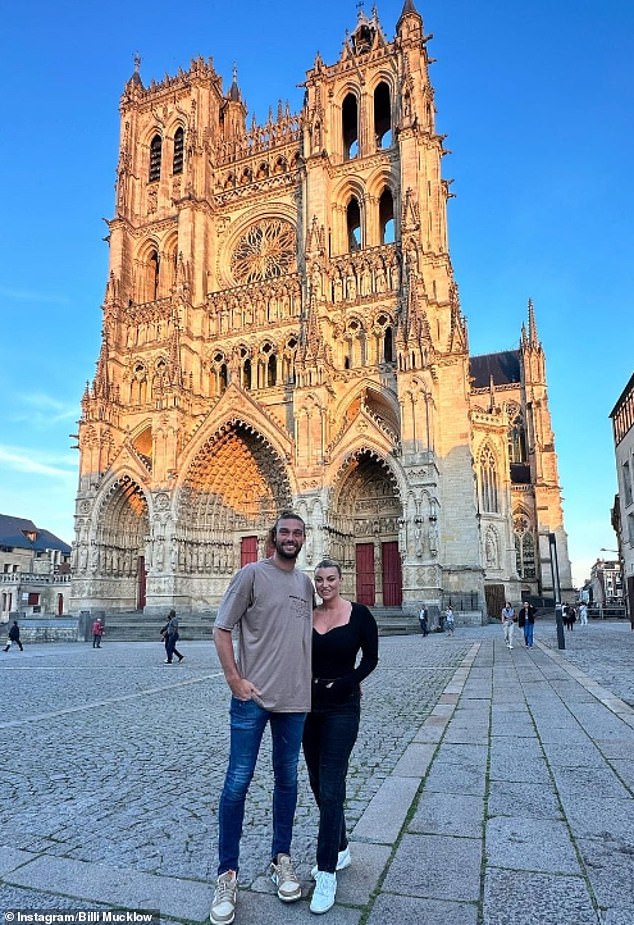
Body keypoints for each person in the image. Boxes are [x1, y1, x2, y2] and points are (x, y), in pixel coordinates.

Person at [210, 512, 313, 925]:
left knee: (287, 781)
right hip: (252, 701)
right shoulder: (251, 573)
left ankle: (280, 859)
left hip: (295, 702)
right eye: (284, 532)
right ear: (273, 537)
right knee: (238, 782)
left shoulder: (306, 584)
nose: (291, 538)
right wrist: (235, 679)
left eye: (297, 533)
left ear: (305, 539)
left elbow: (313, 635)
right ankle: (227, 874)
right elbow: (221, 629)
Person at [302, 559, 378, 914]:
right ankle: (342, 846)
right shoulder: (306, 616)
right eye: (319, 579)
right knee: (318, 784)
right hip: (308, 708)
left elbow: (370, 659)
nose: (325, 584)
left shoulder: (360, 615)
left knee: (332, 786)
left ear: (341, 580)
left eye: (331, 579)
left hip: (343, 709)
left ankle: (326, 871)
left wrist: (349, 682)